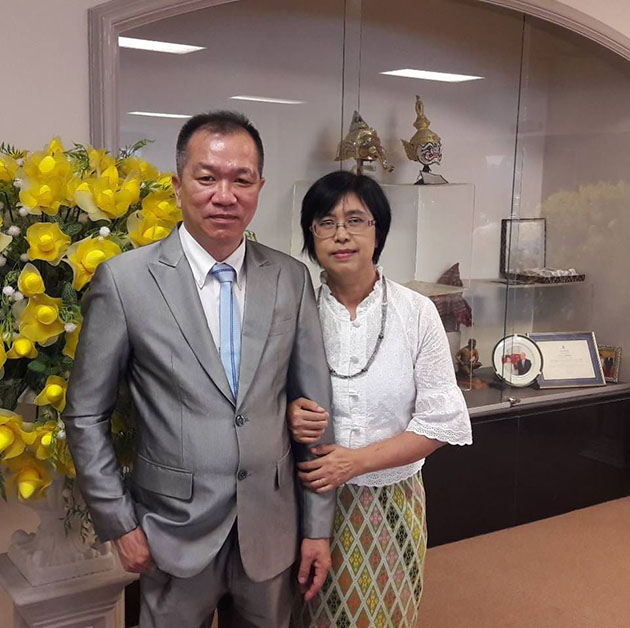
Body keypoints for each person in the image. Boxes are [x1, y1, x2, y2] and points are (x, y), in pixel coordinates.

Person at [63, 111, 336, 628]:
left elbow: (314, 410)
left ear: (260, 188)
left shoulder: (290, 278)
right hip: (171, 530)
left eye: (242, 180)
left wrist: (317, 525)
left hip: (272, 529)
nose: (224, 195)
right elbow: (85, 415)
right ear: (178, 184)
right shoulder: (126, 282)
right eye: (207, 177)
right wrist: (118, 522)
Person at [288, 171, 473, 628]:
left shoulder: (417, 312)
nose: (341, 234)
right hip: (309, 500)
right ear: (311, 236)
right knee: (312, 615)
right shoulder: (293, 311)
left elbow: (440, 422)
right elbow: (259, 400)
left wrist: (355, 462)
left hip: (392, 503)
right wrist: (286, 412)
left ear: (379, 232)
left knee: (386, 615)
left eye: (356, 220)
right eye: (326, 222)